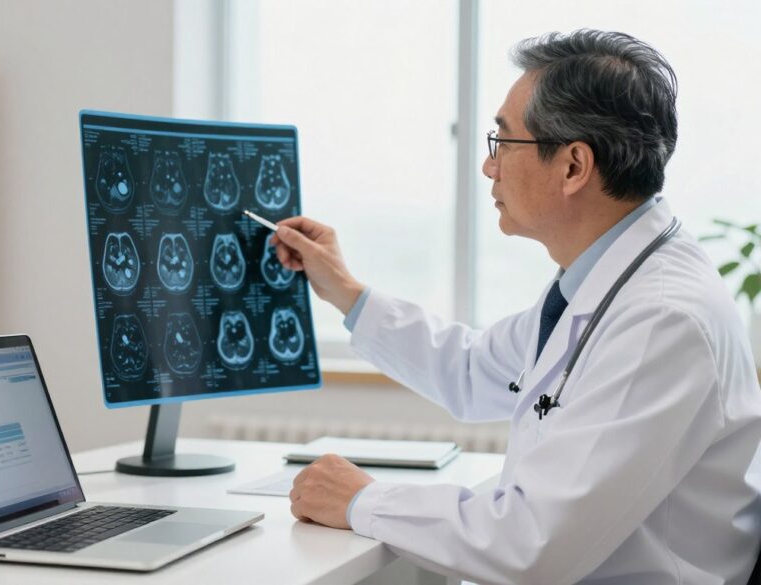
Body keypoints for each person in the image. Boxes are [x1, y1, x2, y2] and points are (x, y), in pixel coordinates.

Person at [271, 29, 761, 584]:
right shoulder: (606, 280)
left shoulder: (661, 318)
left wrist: (364, 500)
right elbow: (474, 369)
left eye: (503, 142)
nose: (489, 167)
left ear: (574, 166)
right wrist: (343, 290)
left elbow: (531, 546)